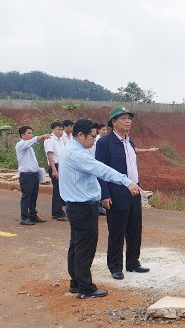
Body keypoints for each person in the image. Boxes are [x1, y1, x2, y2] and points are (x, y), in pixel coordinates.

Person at [59, 119, 140, 299]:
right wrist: (127, 181)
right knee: (85, 248)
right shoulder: (78, 155)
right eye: (92, 137)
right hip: (83, 207)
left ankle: (76, 282)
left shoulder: (70, 150)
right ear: (81, 135)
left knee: (76, 245)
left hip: (76, 206)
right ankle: (85, 288)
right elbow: (102, 169)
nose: (94, 141)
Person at [95, 106, 159, 280]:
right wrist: (104, 194)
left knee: (134, 228)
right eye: (122, 118)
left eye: (129, 118)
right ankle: (115, 266)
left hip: (134, 190)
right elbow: (99, 170)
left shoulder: (130, 142)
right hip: (116, 192)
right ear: (113, 122)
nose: (127, 121)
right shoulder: (104, 143)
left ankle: (133, 262)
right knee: (117, 230)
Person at [15, 125, 51, 225]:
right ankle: (24, 217)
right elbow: (33, 141)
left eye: (32, 133)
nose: (31, 135)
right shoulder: (21, 145)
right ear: (22, 135)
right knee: (27, 196)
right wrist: (42, 137)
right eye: (29, 133)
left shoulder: (29, 147)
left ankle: (32, 215)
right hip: (26, 175)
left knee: (33, 196)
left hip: (34, 174)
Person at [44, 121, 68, 221]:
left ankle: (56, 211)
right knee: (58, 190)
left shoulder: (60, 140)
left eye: (62, 129)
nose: (61, 131)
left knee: (59, 189)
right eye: (59, 129)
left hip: (61, 166)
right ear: (53, 129)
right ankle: (58, 213)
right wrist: (54, 170)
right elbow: (50, 155)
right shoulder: (50, 139)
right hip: (55, 166)